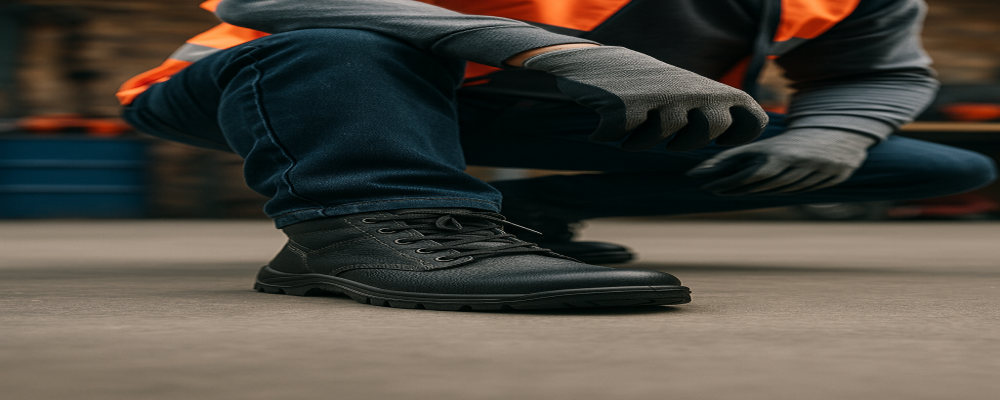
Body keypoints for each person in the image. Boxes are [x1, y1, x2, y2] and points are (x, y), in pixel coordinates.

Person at [118, 0, 996, 311]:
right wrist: (567, 55)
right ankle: (362, 221)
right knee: (346, 49)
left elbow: (874, 71)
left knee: (940, 169)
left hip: (566, 116)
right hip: (307, 85)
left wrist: (832, 132)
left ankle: (517, 213)